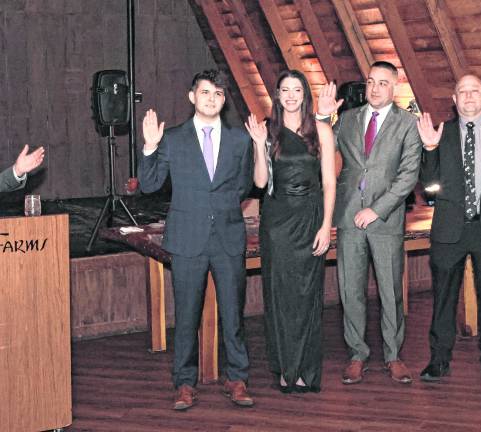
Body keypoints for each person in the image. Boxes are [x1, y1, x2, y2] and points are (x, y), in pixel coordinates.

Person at [139, 70, 255, 411]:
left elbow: (243, 186)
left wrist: (217, 208)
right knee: (186, 317)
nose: (211, 99)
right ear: (192, 97)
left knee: (233, 315)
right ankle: (185, 384)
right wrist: (149, 147)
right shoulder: (172, 139)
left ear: (224, 100)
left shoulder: (239, 140)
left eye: (218, 94)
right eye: (205, 92)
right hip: (187, 239)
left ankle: (237, 378)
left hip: (228, 237)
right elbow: (148, 185)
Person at [315, 61, 422, 385]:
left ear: (395, 86)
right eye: (371, 82)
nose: (375, 89)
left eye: (383, 83)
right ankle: (357, 354)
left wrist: (377, 210)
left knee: (391, 291)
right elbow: (322, 148)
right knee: (350, 290)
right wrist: (322, 117)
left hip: (385, 220)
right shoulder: (347, 119)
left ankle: (393, 355)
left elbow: (408, 177)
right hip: (348, 217)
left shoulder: (408, 124)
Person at [416, 74, 481, 387]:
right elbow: (429, 186)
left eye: (475, 91)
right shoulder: (441, 133)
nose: (469, 96)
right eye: (463, 91)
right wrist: (430, 148)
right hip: (450, 229)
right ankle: (438, 359)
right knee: (444, 299)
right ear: (454, 98)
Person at [246, 71, 335, 393]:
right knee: (281, 297)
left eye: (297, 89)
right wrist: (258, 145)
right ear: (278, 95)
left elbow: (329, 183)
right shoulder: (268, 131)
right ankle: (286, 368)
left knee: (307, 297)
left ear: (305, 95)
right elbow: (258, 183)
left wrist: (326, 225)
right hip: (278, 221)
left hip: (311, 217)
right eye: (285, 89)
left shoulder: (321, 130)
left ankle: (305, 369)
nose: (291, 95)